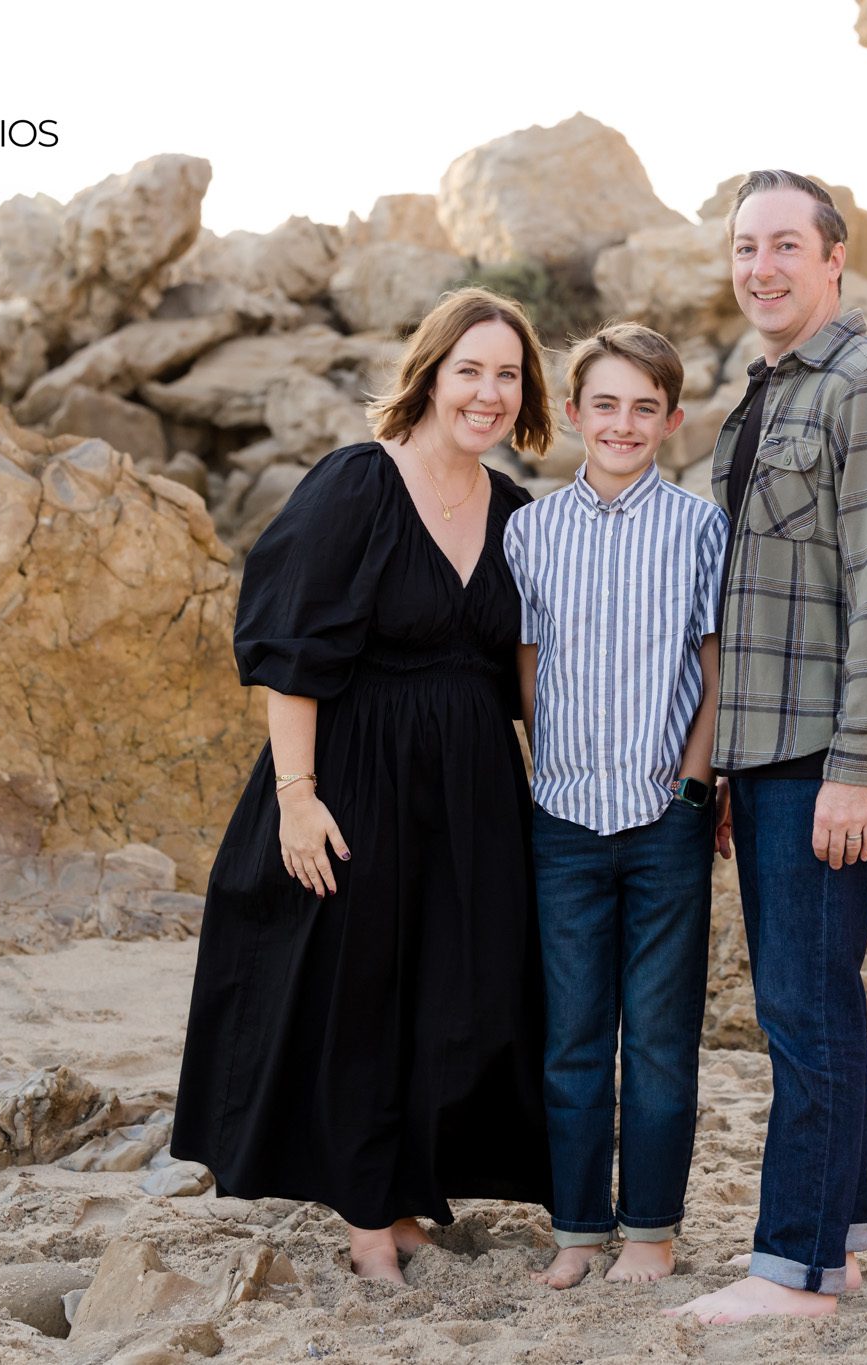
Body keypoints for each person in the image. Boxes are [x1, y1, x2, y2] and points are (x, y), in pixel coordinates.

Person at [172, 287, 556, 1284]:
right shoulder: (356, 485)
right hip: (355, 777)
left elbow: (528, 678)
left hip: (470, 792)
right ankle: (364, 1214)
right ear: (428, 376)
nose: (485, 391)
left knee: (451, 994)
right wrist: (296, 797)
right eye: (467, 370)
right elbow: (291, 651)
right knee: (359, 993)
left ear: (524, 396)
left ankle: (408, 1192)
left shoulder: (516, 514)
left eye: (505, 375)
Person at [667, 171, 867, 1325]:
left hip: (827, 753)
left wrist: (854, 767)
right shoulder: (763, 395)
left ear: (835, 260)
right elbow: (756, 598)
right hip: (769, 749)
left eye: (785, 245)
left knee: (799, 1007)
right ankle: (843, 1242)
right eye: (744, 247)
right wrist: (729, 758)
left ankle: (796, 1269)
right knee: (817, 998)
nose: (760, 267)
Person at [503, 323, 730, 1291]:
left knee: (663, 1039)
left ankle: (650, 1233)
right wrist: (540, 769)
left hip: (662, 815)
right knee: (570, 1040)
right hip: (560, 816)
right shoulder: (528, 532)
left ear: (671, 420)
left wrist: (691, 784)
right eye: (604, 404)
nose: (623, 423)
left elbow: (716, 673)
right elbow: (525, 668)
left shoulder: (695, 527)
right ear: (573, 415)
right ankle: (578, 1231)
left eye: (644, 407)